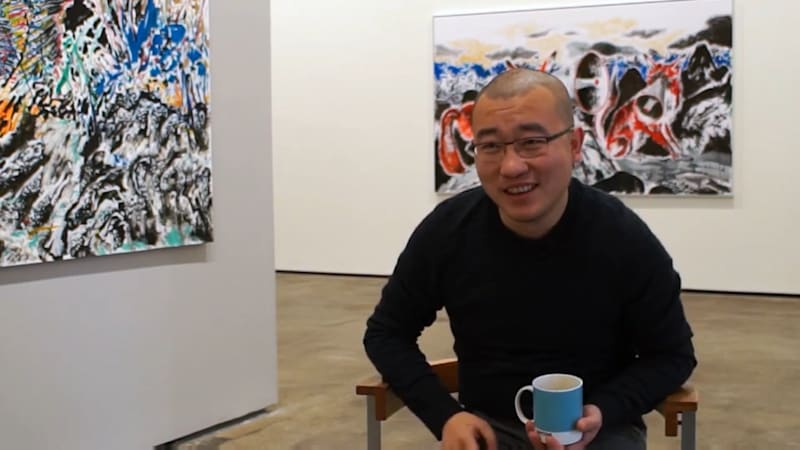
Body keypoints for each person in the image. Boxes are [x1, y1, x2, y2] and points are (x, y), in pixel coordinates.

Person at [363, 68, 697, 450]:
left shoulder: (623, 238)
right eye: (491, 146)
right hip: (487, 429)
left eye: (532, 142)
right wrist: (445, 416)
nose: (511, 166)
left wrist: (604, 410)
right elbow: (386, 333)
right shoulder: (448, 232)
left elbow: (672, 355)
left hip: (599, 432)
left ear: (574, 145)